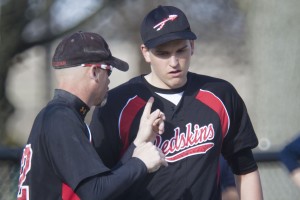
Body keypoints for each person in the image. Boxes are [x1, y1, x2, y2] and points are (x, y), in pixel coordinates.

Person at [90, 5, 263, 200]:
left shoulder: (220, 95)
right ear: (146, 52)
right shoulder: (117, 103)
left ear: (192, 46)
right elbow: (98, 184)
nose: (174, 62)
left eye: (181, 50)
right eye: (163, 53)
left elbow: (246, 169)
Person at [16, 31, 168, 200]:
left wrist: (138, 143)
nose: (109, 80)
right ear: (95, 72)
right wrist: (140, 163)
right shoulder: (61, 118)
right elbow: (95, 192)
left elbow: (102, 183)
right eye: (108, 71)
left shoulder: (56, 115)